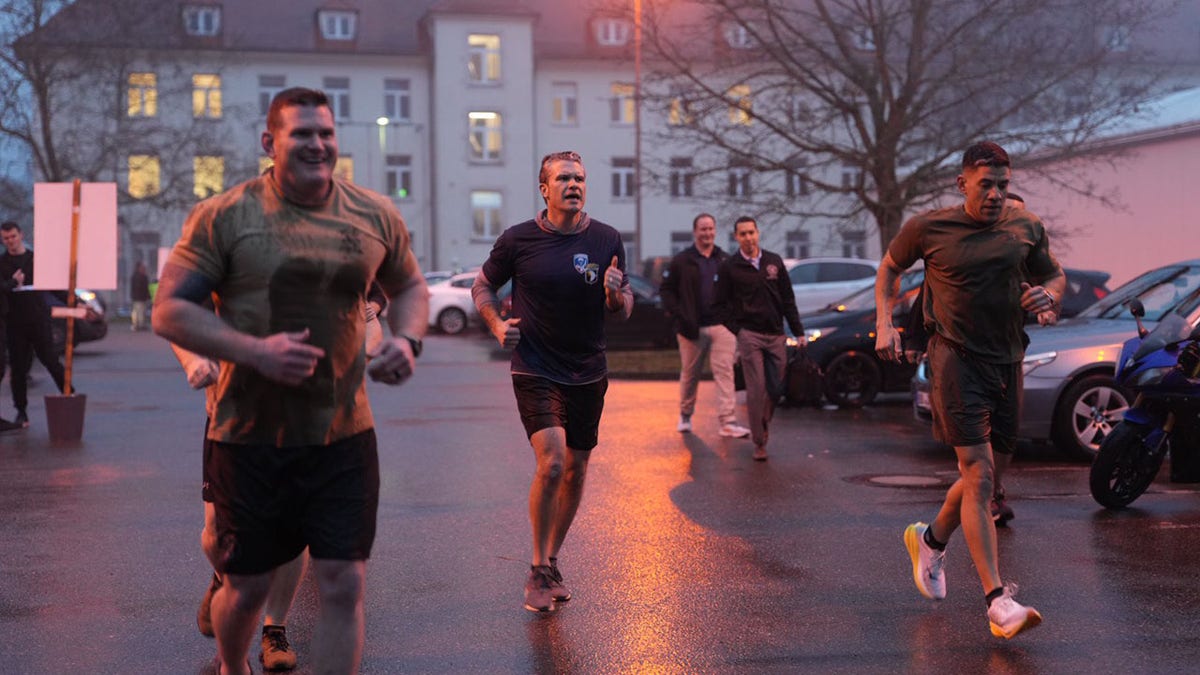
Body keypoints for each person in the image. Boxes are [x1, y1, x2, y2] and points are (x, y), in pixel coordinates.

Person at [152, 87, 429, 675]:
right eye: (302, 133)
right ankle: (232, 666)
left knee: (343, 583)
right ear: (269, 142)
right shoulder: (225, 215)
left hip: (344, 434)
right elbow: (169, 309)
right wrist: (252, 351)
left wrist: (406, 340)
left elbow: (408, 287)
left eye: (325, 133)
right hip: (249, 435)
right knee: (246, 588)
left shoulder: (374, 213)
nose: (317, 144)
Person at [875, 141, 1063, 639]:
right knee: (978, 474)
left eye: (1004, 184)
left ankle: (931, 540)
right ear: (963, 184)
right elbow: (890, 266)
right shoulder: (930, 228)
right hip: (954, 358)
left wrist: (1050, 299)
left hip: (1008, 357)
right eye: (987, 185)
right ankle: (997, 601)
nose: (997, 194)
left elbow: (1053, 276)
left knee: (994, 476)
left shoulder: (1026, 227)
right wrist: (885, 322)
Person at [182, 283, 386, 672]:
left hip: (305, 418)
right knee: (217, 533)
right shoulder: (228, 238)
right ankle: (225, 580)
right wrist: (194, 362)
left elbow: (371, 310)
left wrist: (366, 352)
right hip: (234, 416)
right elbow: (175, 310)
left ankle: (273, 629)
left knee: (296, 533)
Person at [471, 150, 632, 613]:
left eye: (580, 178)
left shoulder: (607, 239)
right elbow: (482, 287)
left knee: (578, 469)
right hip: (535, 366)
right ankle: (538, 567)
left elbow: (623, 309)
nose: (574, 185)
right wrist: (497, 326)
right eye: (563, 178)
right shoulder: (518, 240)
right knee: (554, 462)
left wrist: (614, 295)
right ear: (544, 189)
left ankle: (552, 559)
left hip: (588, 369)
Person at [903, 192, 1029, 526]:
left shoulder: (1022, 256)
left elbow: (1043, 294)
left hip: (1006, 360)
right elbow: (926, 294)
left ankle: (982, 499)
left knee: (1002, 443)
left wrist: (1044, 303)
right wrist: (913, 338)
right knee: (976, 456)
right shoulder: (962, 254)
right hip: (960, 359)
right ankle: (985, 505)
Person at [713, 216, 803, 461]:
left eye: (751, 232)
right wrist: (738, 330)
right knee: (756, 389)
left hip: (776, 335)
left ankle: (762, 421)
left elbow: (787, 299)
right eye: (743, 234)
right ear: (736, 238)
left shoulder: (774, 262)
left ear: (758, 233)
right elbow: (719, 305)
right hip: (749, 336)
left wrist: (799, 331)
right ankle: (759, 441)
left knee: (775, 389)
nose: (748, 238)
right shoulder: (729, 267)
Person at [660, 213, 750, 439]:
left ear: (715, 231)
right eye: (703, 229)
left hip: (722, 327)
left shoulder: (725, 260)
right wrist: (679, 315)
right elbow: (666, 290)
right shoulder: (682, 260)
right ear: (695, 232)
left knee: (725, 373)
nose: (707, 233)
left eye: (711, 229)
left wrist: (734, 320)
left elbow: (736, 293)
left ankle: (728, 421)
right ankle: (685, 415)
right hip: (692, 328)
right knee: (691, 375)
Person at [0, 221, 68, 427]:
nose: (10, 241)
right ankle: (21, 411)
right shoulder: (1, 263)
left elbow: (54, 287)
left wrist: (75, 302)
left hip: (38, 320)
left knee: (51, 360)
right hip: (14, 322)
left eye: (13, 236)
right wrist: (12, 284)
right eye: (6, 239)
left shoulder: (35, 260)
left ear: (20, 235)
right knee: (19, 369)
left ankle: (69, 394)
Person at [130, 260, 151, 331]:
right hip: (140, 297)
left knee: (137, 311)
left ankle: (136, 324)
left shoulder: (135, 276)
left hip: (137, 297)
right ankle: (140, 325)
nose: (144, 269)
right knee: (140, 311)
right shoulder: (141, 277)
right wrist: (147, 295)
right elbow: (142, 287)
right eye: (143, 268)